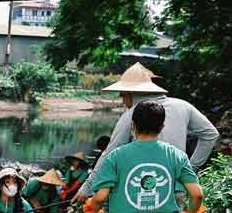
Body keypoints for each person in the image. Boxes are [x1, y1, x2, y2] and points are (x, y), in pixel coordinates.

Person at [76, 63, 218, 200]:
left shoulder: (130, 115)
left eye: (122, 95)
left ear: (131, 94)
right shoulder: (183, 106)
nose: (123, 100)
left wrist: (87, 187)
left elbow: (109, 154)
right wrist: (190, 169)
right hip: (176, 186)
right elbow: (211, 134)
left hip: (142, 189)